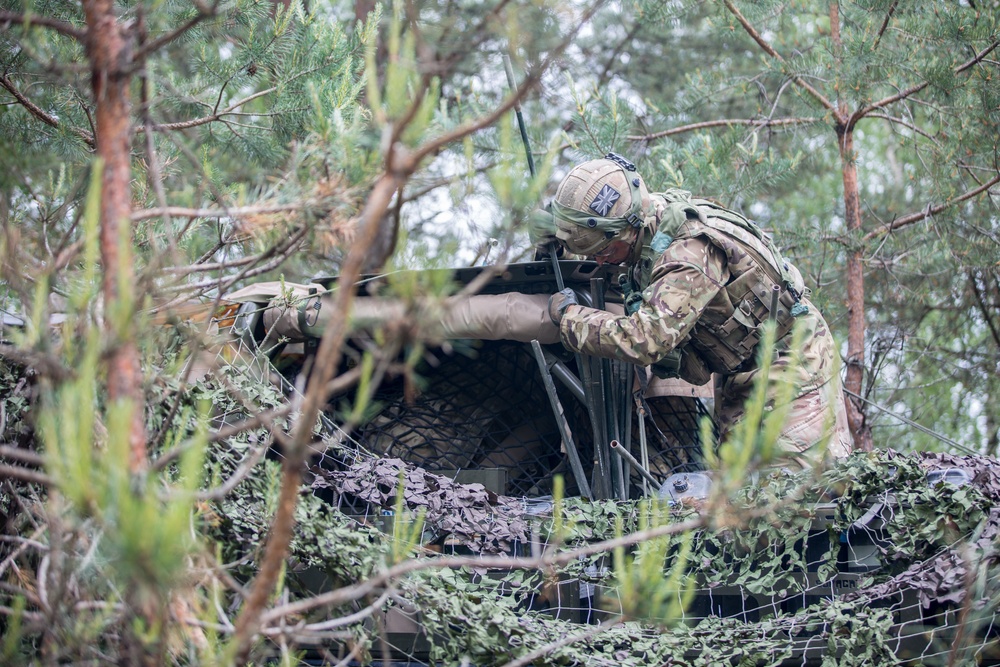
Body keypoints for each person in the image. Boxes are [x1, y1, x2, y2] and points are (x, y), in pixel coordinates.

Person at [536, 153, 853, 465]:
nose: (600, 261)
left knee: (796, 497)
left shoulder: (688, 253)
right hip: (743, 372)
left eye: (603, 250)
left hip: (793, 369)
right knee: (743, 499)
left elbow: (645, 339)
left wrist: (569, 317)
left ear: (627, 228)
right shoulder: (650, 219)